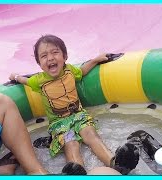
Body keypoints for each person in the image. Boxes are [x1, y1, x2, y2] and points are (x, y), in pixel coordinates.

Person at [9, 34, 139, 174]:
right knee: (71, 144)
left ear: (65, 56)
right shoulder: (38, 81)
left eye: (55, 52)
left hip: (79, 115)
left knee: (91, 134)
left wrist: (95, 60)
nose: (51, 58)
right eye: (44, 56)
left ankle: (115, 163)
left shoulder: (70, 70)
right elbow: (25, 81)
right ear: (39, 64)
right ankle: (77, 172)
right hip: (60, 123)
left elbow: (82, 71)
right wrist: (15, 77)